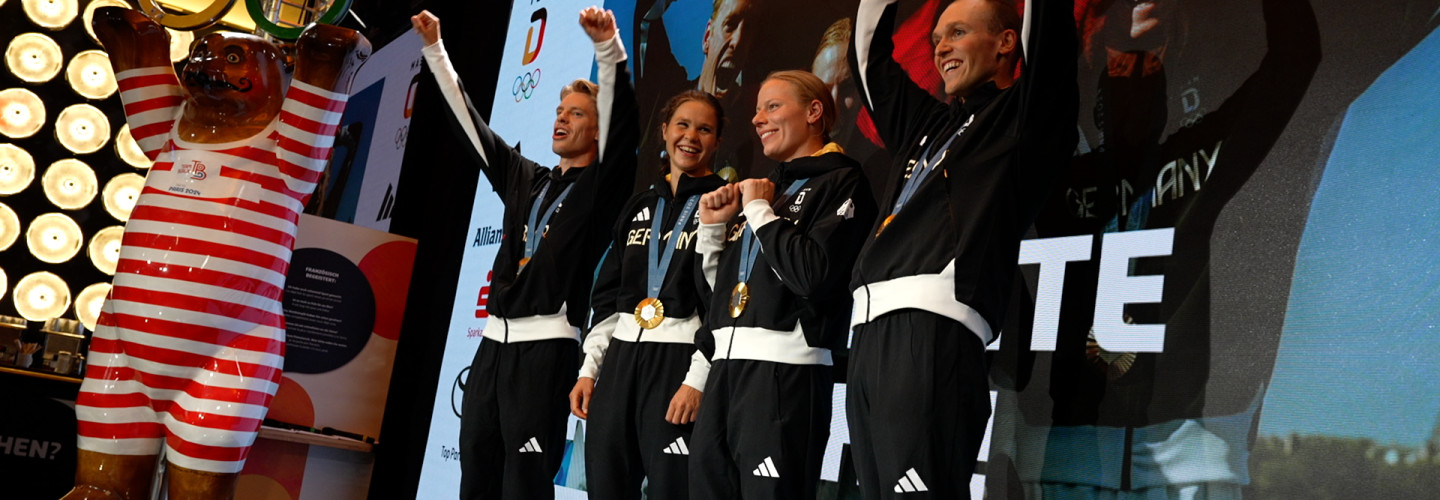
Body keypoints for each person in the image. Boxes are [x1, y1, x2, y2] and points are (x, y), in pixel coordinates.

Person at [68, 6, 369, 500]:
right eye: (202, 54)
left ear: (281, 78)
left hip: (225, 357)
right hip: (123, 348)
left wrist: (324, 60)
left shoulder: (284, 153)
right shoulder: (170, 135)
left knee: (199, 494)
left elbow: (326, 77)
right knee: (99, 492)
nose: (210, 65)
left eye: (232, 58)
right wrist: (137, 43)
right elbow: (139, 62)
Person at [845, 0, 1078, 498]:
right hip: (868, 335)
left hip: (932, 331)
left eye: (957, 33)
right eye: (936, 40)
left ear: (1005, 43)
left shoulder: (1024, 116)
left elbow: (1050, 33)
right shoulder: (924, 125)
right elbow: (868, 59)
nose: (941, 48)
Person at [412, 7, 637, 499]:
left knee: (524, 488)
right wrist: (435, 49)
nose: (562, 118)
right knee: (475, 477)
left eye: (576, 113)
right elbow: (468, 124)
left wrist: (608, 50)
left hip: (546, 353)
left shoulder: (599, 190)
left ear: (597, 131)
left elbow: (625, 136)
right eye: (560, 112)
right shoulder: (526, 178)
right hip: (491, 349)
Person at [689, 70, 877, 500]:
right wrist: (714, 232)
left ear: (814, 112)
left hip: (785, 374)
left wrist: (757, 211)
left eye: (772, 106)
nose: (757, 119)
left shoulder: (843, 180)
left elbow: (812, 275)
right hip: (726, 373)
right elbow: (726, 296)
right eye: (756, 109)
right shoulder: (769, 190)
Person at [571, 90, 729, 499]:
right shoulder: (638, 205)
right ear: (663, 131)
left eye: (704, 128)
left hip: (677, 364)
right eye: (682, 124)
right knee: (604, 488)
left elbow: (722, 303)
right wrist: (590, 369)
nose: (691, 136)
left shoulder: (725, 206)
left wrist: (696, 379)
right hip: (620, 362)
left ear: (717, 141)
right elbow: (609, 299)